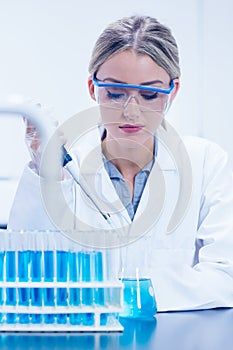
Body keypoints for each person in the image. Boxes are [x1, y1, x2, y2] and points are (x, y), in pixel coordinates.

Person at [8, 15, 233, 312]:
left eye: (150, 94)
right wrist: (45, 170)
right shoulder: (68, 167)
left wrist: (127, 294)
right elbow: (26, 275)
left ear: (172, 92)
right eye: (115, 93)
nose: (131, 111)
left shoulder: (205, 162)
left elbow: (225, 277)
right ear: (92, 87)